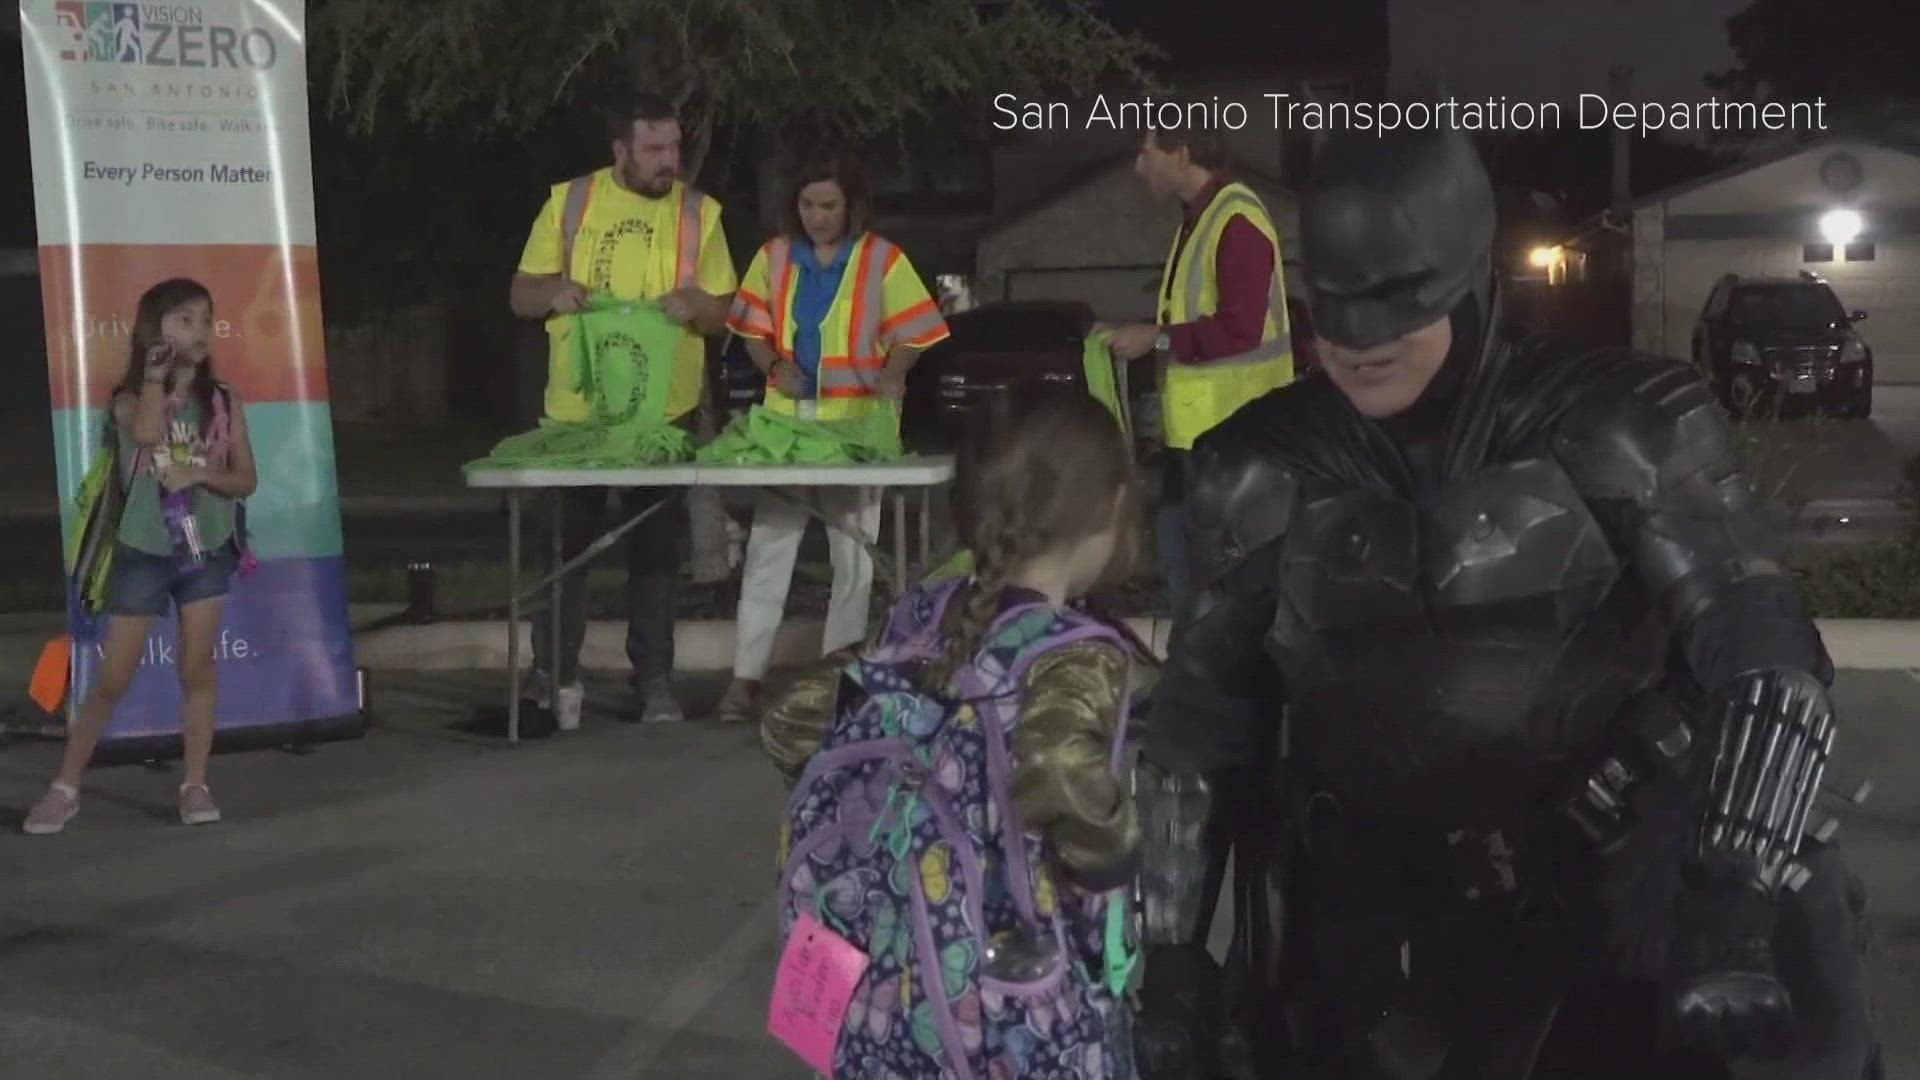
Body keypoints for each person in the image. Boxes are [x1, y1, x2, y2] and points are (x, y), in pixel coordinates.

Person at [1132, 129, 1880, 1078]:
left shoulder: (1622, 424)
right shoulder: (1256, 471)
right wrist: (1172, 959)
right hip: (1384, 934)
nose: (1360, 342)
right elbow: (1202, 725)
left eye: (1395, 306)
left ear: (1467, 279)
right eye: (1337, 311)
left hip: (1625, 909)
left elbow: (1765, 654)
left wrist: (1731, 894)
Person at [760, 387, 1152, 1078]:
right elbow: (1060, 766)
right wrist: (1111, 862)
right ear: (1112, 507)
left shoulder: (919, 614)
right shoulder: (1071, 654)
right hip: (1004, 995)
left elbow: (791, 720)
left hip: (879, 981)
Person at [509, 93, 738, 726]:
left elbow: (728, 313)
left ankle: (655, 681)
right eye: (655, 149)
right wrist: (554, 292)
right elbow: (520, 294)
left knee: (654, 549)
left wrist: (700, 304)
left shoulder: (699, 214)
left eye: (675, 148)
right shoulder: (571, 202)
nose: (670, 162)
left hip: (663, 413)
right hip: (580, 412)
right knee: (564, 548)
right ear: (620, 150)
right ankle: (552, 676)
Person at [715, 153, 950, 725]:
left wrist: (895, 370)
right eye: (807, 205)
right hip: (787, 428)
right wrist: (773, 365)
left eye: (828, 205)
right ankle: (746, 678)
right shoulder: (772, 257)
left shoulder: (882, 259)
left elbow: (915, 332)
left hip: (855, 426)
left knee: (855, 556)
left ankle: (834, 679)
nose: (817, 216)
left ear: (851, 206)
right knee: (771, 547)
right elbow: (751, 332)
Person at [25, 278, 258, 834]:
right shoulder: (129, 398)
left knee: (196, 669)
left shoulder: (222, 399)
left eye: (205, 319)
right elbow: (149, 431)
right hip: (145, 552)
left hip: (208, 551)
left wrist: (200, 471)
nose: (199, 330)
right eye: (184, 320)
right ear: (154, 331)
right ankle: (64, 789)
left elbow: (246, 479)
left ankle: (194, 783)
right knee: (112, 678)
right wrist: (156, 377)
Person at [1100, 122, 1295, 617]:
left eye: (1147, 153)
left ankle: (1215, 673)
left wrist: (1157, 337)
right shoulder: (1204, 216)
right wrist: (1147, 331)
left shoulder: (1234, 219)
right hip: (1202, 433)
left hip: (1233, 434)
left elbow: (1242, 327)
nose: (1138, 166)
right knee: (1179, 555)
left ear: (1182, 153)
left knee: (1217, 581)